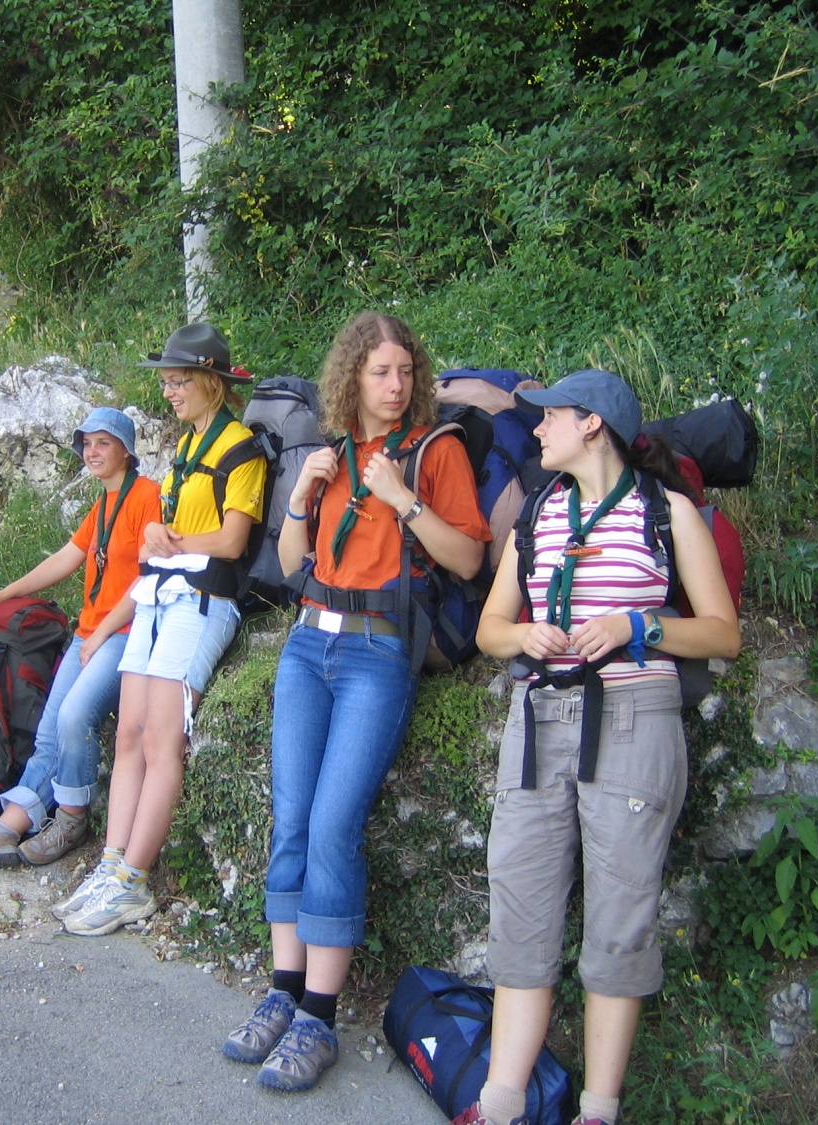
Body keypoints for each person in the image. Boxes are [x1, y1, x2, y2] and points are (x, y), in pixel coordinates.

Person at [221, 312, 489, 1092]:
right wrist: (302, 498)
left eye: (405, 370)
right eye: (380, 372)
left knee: (334, 824)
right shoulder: (331, 453)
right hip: (308, 644)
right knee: (292, 817)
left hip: (378, 651)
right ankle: (283, 990)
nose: (396, 385)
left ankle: (319, 1017)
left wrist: (403, 499)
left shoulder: (435, 451)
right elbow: (294, 563)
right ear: (352, 378)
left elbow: (468, 557)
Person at [470, 369, 741, 1125]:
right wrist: (523, 635)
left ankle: (597, 1111)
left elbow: (723, 633)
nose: (537, 428)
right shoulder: (536, 513)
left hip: (632, 716)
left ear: (593, 423)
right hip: (538, 717)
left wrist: (636, 624)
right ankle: (499, 1106)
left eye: (550, 416)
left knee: (621, 916)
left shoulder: (666, 511)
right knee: (520, 904)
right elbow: (491, 628)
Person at [57, 322, 267, 938]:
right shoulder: (187, 444)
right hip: (156, 597)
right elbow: (174, 532)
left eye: (178, 382)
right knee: (129, 735)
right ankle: (111, 865)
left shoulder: (241, 449)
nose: (169, 392)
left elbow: (232, 541)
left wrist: (168, 540)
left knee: (162, 740)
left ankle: (133, 882)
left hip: (201, 602)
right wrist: (158, 537)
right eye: (167, 382)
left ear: (210, 382)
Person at [0, 407, 161, 869]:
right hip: (90, 633)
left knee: (76, 717)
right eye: (86, 444)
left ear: (126, 450)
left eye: (103, 443)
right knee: (49, 731)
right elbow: (65, 558)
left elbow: (149, 577)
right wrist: (4, 593)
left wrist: (101, 634)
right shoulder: (102, 505)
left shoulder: (147, 496)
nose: (92, 452)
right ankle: (10, 826)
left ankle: (72, 819)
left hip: (123, 633)